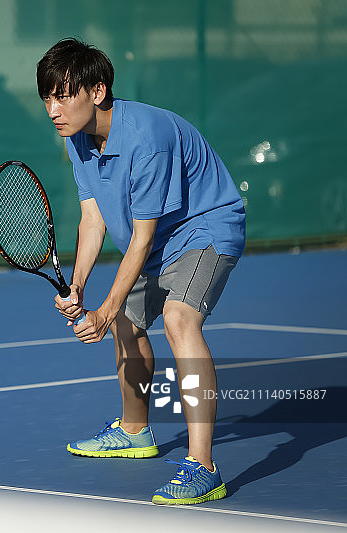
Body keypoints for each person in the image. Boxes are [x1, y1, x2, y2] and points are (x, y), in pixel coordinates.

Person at [37, 39, 245, 505]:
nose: (53, 109)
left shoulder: (146, 139)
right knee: (129, 323)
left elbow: (142, 239)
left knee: (177, 319)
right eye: (46, 98)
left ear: (97, 90)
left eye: (63, 95)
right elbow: (92, 217)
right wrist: (77, 285)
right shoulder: (76, 138)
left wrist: (104, 310)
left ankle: (203, 466)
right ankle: (134, 430)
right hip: (157, 239)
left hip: (204, 227)